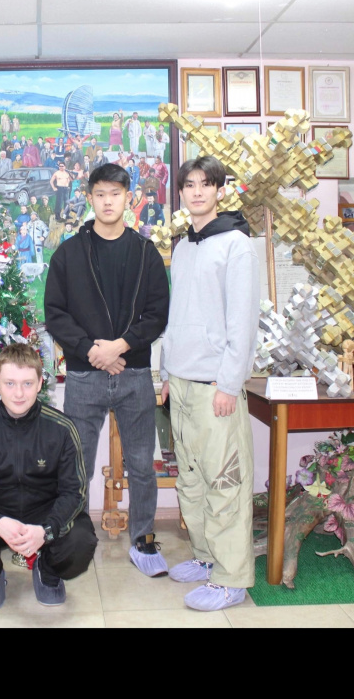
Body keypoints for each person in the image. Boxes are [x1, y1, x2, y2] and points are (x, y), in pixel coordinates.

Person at [44, 163, 170, 578]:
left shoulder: (145, 253)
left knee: (142, 464)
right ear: (90, 198)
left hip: (134, 374)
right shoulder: (69, 253)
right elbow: (55, 313)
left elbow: (157, 313)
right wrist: (91, 350)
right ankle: (74, 538)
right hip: (84, 376)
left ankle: (143, 538)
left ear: (128, 198)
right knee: (76, 463)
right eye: (100, 194)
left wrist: (120, 346)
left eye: (116, 193)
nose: (108, 201)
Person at [160, 156, 259, 611]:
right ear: (181, 192)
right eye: (189, 185)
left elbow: (243, 322)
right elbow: (176, 315)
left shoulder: (237, 244)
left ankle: (231, 578)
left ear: (220, 190)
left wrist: (228, 384)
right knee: (192, 480)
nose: (197, 192)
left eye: (206, 184)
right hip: (181, 383)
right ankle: (205, 558)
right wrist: (166, 372)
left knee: (225, 483)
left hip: (215, 386)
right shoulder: (184, 246)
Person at [0, 343, 96, 609]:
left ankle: (47, 571)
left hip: (45, 514)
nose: (19, 393)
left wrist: (47, 530)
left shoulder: (63, 428)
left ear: (40, 383)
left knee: (81, 539)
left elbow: (75, 492)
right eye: (10, 383)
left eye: (27, 383)